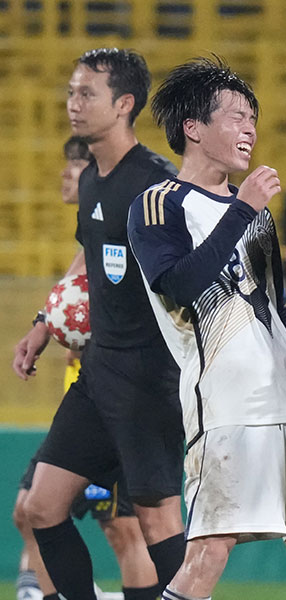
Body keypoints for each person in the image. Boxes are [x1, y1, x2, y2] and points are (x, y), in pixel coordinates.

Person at [127, 56, 286, 600]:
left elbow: (273, 311)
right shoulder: (159, 205)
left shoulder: (257, 215)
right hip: (228, 406)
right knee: (208, 550)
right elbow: (180, 288)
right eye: (235, 116)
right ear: (193, 128)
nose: (249, 127)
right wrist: (242, 208)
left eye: (253, 116)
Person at [12, 48, 186, 600]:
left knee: (154, 523)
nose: (73, 104)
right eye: (71, 92)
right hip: (97, 375)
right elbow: (88, 261)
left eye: (87, 94)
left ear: (124, 104)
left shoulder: (157, 186)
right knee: (40, 507)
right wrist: (44, 323)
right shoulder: (91, 183)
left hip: (149, 382)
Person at [13, 137, 157, 600]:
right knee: (32, 508)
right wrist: (43, 324)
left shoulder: (131, 219)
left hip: (122, 400)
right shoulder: (91, 236)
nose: (67, 172)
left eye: (78, 163)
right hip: (88, 397)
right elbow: (73, 290)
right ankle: (40, 588)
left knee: (125, 528)